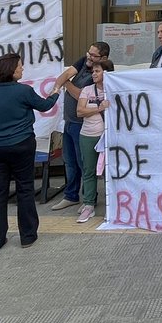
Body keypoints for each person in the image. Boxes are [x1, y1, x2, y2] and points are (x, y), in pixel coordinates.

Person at [0, 53, 63, 253]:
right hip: (21, 144)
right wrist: (56, 91)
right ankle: (27, 236)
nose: (22, 69)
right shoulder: (23, 91)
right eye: (20, 67)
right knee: (25, 188)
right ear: (12, 71)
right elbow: (45, 105)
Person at [50, 41, 109, 211]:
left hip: (82, 125)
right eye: (89, 53)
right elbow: (65, 74)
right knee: (69, 161)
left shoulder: (98, 75)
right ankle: (71, 195)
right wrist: (56, 88)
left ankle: (88, 198)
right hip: (68, 121)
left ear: (103, 58)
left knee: (84, 163)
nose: (89, 57)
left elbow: (80, 94)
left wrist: (66, 84)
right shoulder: (84, 61)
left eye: (93, 55)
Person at [75, 60, 114, 224]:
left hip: (109, 136)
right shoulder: (87, 90)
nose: (94, 74)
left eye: (97, 71)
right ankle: (89, 204)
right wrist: (100, 108)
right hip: (88, 135)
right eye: (93, 71)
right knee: (89, 170)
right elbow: (80, 111)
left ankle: (111, 206)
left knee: (110, 172)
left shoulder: (113, 90)